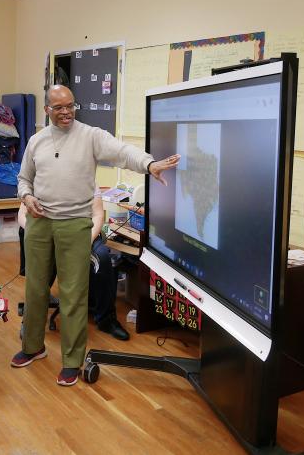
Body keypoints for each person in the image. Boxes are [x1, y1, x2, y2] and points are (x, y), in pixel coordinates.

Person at [13, 85, 180, 386]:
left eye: (70, 106)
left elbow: (122, 152)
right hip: (39, 223)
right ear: (47, 110)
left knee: (74, 294)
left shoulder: (90, 136)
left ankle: (73, 361)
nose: (66, 112)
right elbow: (24, 179)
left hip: (74, 224)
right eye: (58, 107)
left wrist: (149, 164)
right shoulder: (36, 141)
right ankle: (32, 347)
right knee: (36, 290)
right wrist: (26, 197)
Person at [17, 191, 129, 341]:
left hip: (82, 233)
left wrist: (86, 240)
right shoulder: (40, 178)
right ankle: (31, 322)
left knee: (102, 257)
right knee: (43, 266)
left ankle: (106, 320)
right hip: (45, 234)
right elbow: (22, 216)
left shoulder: (86, 176)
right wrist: (41, 236)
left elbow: (97, 216)